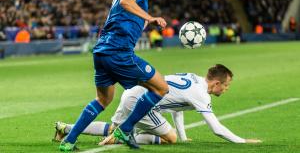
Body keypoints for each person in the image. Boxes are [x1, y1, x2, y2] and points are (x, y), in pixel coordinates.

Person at [59, 0, 169, 151]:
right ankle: (125, 129)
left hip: (102, 51)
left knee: (103, 100)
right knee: (161, 88)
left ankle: (68, 140)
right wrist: (150, 17)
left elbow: (127, 15)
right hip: (119, 52)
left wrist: (146, 22)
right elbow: (127, 2)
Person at [55, 64, 261, 145]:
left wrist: (183, 135)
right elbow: (216, 128)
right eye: (225, 86)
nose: (226, 89)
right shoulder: (201, 94)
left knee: (114, 128)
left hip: (132, 93)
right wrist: (242, 141)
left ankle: (66, 129)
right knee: (168, 138)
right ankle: (120, 138)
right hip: (143, 101)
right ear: (216, 83)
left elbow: (176, 109)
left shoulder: (194, 80)